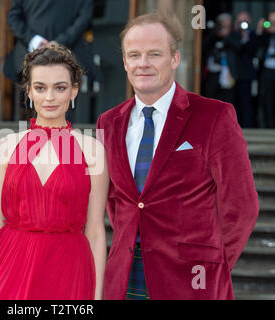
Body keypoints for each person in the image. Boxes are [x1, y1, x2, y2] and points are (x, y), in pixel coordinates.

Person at [96, 11, 259, 300]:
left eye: (154, 54)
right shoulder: (107, 123)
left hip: (192, 283)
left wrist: (212, 266)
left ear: (174, 59)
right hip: (124, 278)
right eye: (134, 55)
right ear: (124, 61)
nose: (142, 63)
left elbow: (242, 206)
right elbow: (116, 202)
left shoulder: (214, 116)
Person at [0, 43, 108, 300]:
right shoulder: (7, 146)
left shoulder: (92, 150)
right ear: (29, 92)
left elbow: (95, 230)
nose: (49, 97)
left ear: (73, 91)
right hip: (12, 264)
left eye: (60, 88)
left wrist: (97, 295)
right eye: (40, 88)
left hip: (69, 268)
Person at [3, 0, 98, 120]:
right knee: (29, 116)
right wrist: (37, 41)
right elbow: (13, 17)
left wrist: (59, 43)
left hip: (70, 57)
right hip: (26, 59)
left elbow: (85, 17)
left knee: (64, 116)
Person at [229, 11, 258, 128]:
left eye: (244, 21)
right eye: (240, 21)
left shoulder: (253, 35)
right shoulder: (233, 35)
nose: (242, 24)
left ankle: (247, 125)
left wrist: (246, 37)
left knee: (247, 102)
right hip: (232, 74)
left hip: (246, 75)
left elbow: (253, 50)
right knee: (233, 102)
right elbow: (234, 47)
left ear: (250, 21)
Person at [202, 13, 238, 106]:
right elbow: (203, 46)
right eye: (223, 25)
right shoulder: (213, 35)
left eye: (227, 26)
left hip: (228, 75)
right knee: (210, 101)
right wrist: (215, 33)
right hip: (212, 74)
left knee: (226, 103)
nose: (224, 28)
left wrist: (226, 36)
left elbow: (238, 47)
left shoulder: (233, 36)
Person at [256, 11, 275, 128]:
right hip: (268, 70)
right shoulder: (266, 36)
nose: (272, 24)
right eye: (271, 21)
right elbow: (256, 46)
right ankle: (270, 125)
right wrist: (260, 29)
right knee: (268, 99)